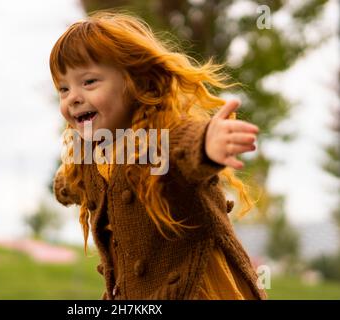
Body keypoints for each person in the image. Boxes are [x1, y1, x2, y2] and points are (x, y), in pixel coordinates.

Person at [50, 10, 267, 300]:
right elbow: (74, 182)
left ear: (135, 81)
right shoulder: (91, 157)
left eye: (89, 82)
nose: (73, 97)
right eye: (64, 89)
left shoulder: (156, 140)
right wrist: (64, 186)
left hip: (195, 287)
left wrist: (207, 144)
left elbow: (183, 147)